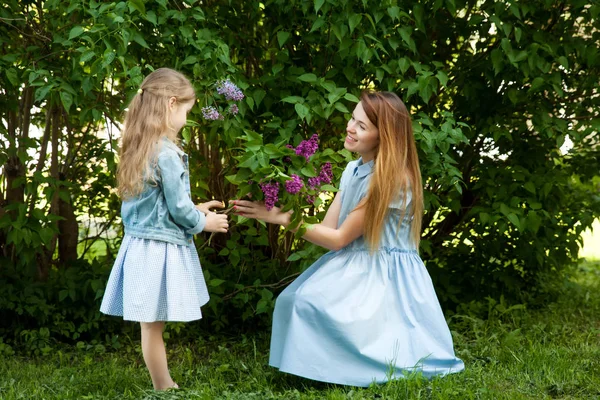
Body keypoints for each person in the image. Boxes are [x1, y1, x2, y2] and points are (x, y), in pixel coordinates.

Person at [231, 91, 464, 387]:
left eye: (362, 126)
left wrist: (279, 217)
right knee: (295, 299)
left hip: (385, 272)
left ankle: (351, 369)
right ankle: (322, 369)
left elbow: (340, 239)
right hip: (355, 262)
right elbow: (329, 231)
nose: (350, 128)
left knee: (321, 308)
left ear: (384, 137)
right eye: (353, 118)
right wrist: (286, 203)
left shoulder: (391, 179)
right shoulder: (353, 169)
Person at [100, 68, 228, 391]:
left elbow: (156, 206)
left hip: (140, 247)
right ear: (172, 104)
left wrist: (194, 209)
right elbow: (179, 209)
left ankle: (163, 382)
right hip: (159, 251)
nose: (187, 118)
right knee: (154, 327)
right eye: (187, 110)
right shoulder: (168, 154)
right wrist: (203, 221)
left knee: (149, 327)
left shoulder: (139, 147)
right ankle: (163, 386)